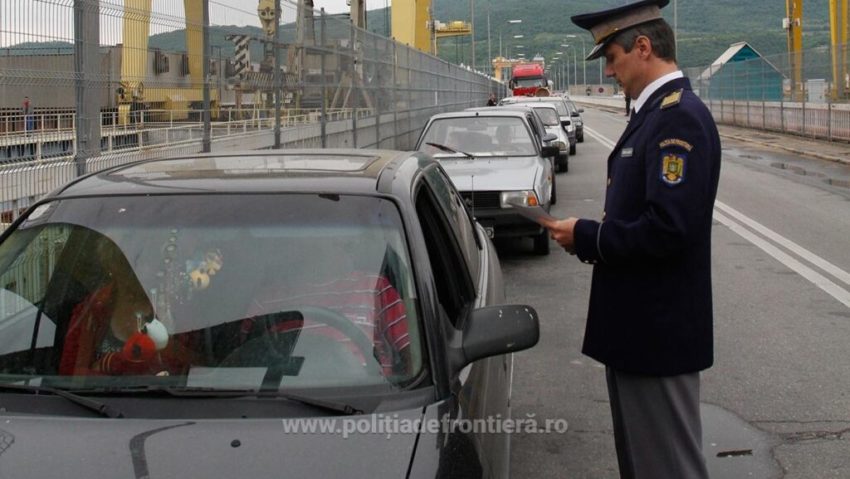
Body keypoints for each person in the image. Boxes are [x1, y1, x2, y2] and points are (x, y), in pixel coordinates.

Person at [541, 1, 721, 478]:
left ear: (643, 47)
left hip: (656, 336)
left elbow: (668, 229)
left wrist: (587, 236)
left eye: (612, 56)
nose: (608, 70)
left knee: (666, 468)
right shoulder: (654, 115)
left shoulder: (676, 118)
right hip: (640, 334)